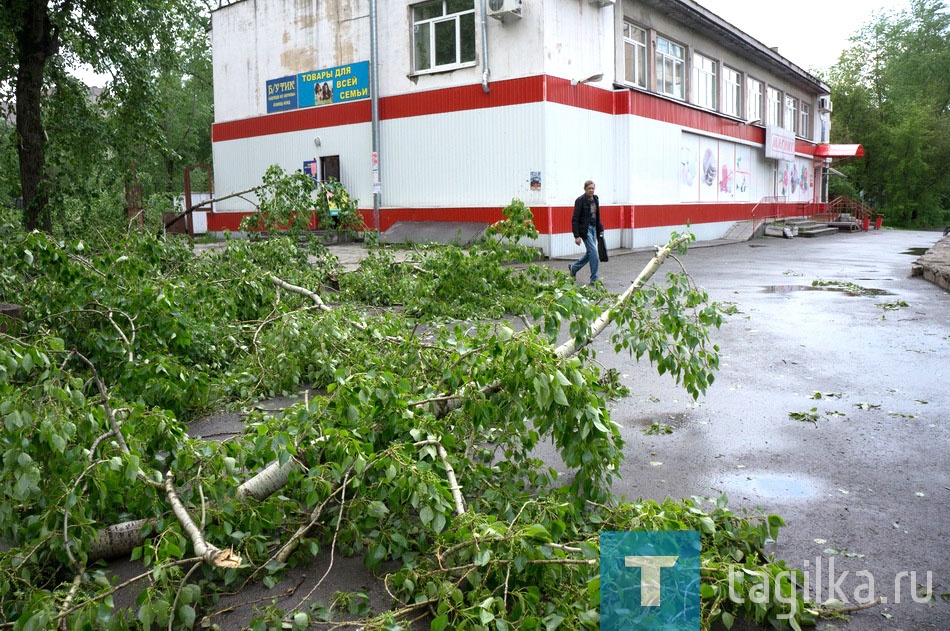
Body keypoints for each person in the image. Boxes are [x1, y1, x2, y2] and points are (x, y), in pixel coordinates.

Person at [569, 180, 605, 284]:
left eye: (592, 188)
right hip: (585, 230)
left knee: (590, 253)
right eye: (589, 188)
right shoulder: (580, 200)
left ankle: (574, 268)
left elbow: (597, 216)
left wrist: (601, 229)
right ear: (585, 189)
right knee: (594, 253)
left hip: (594, 228)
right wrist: (576, 236)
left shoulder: (595, 199)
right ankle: (594, 278)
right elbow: (575, 219)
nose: (591, 190)